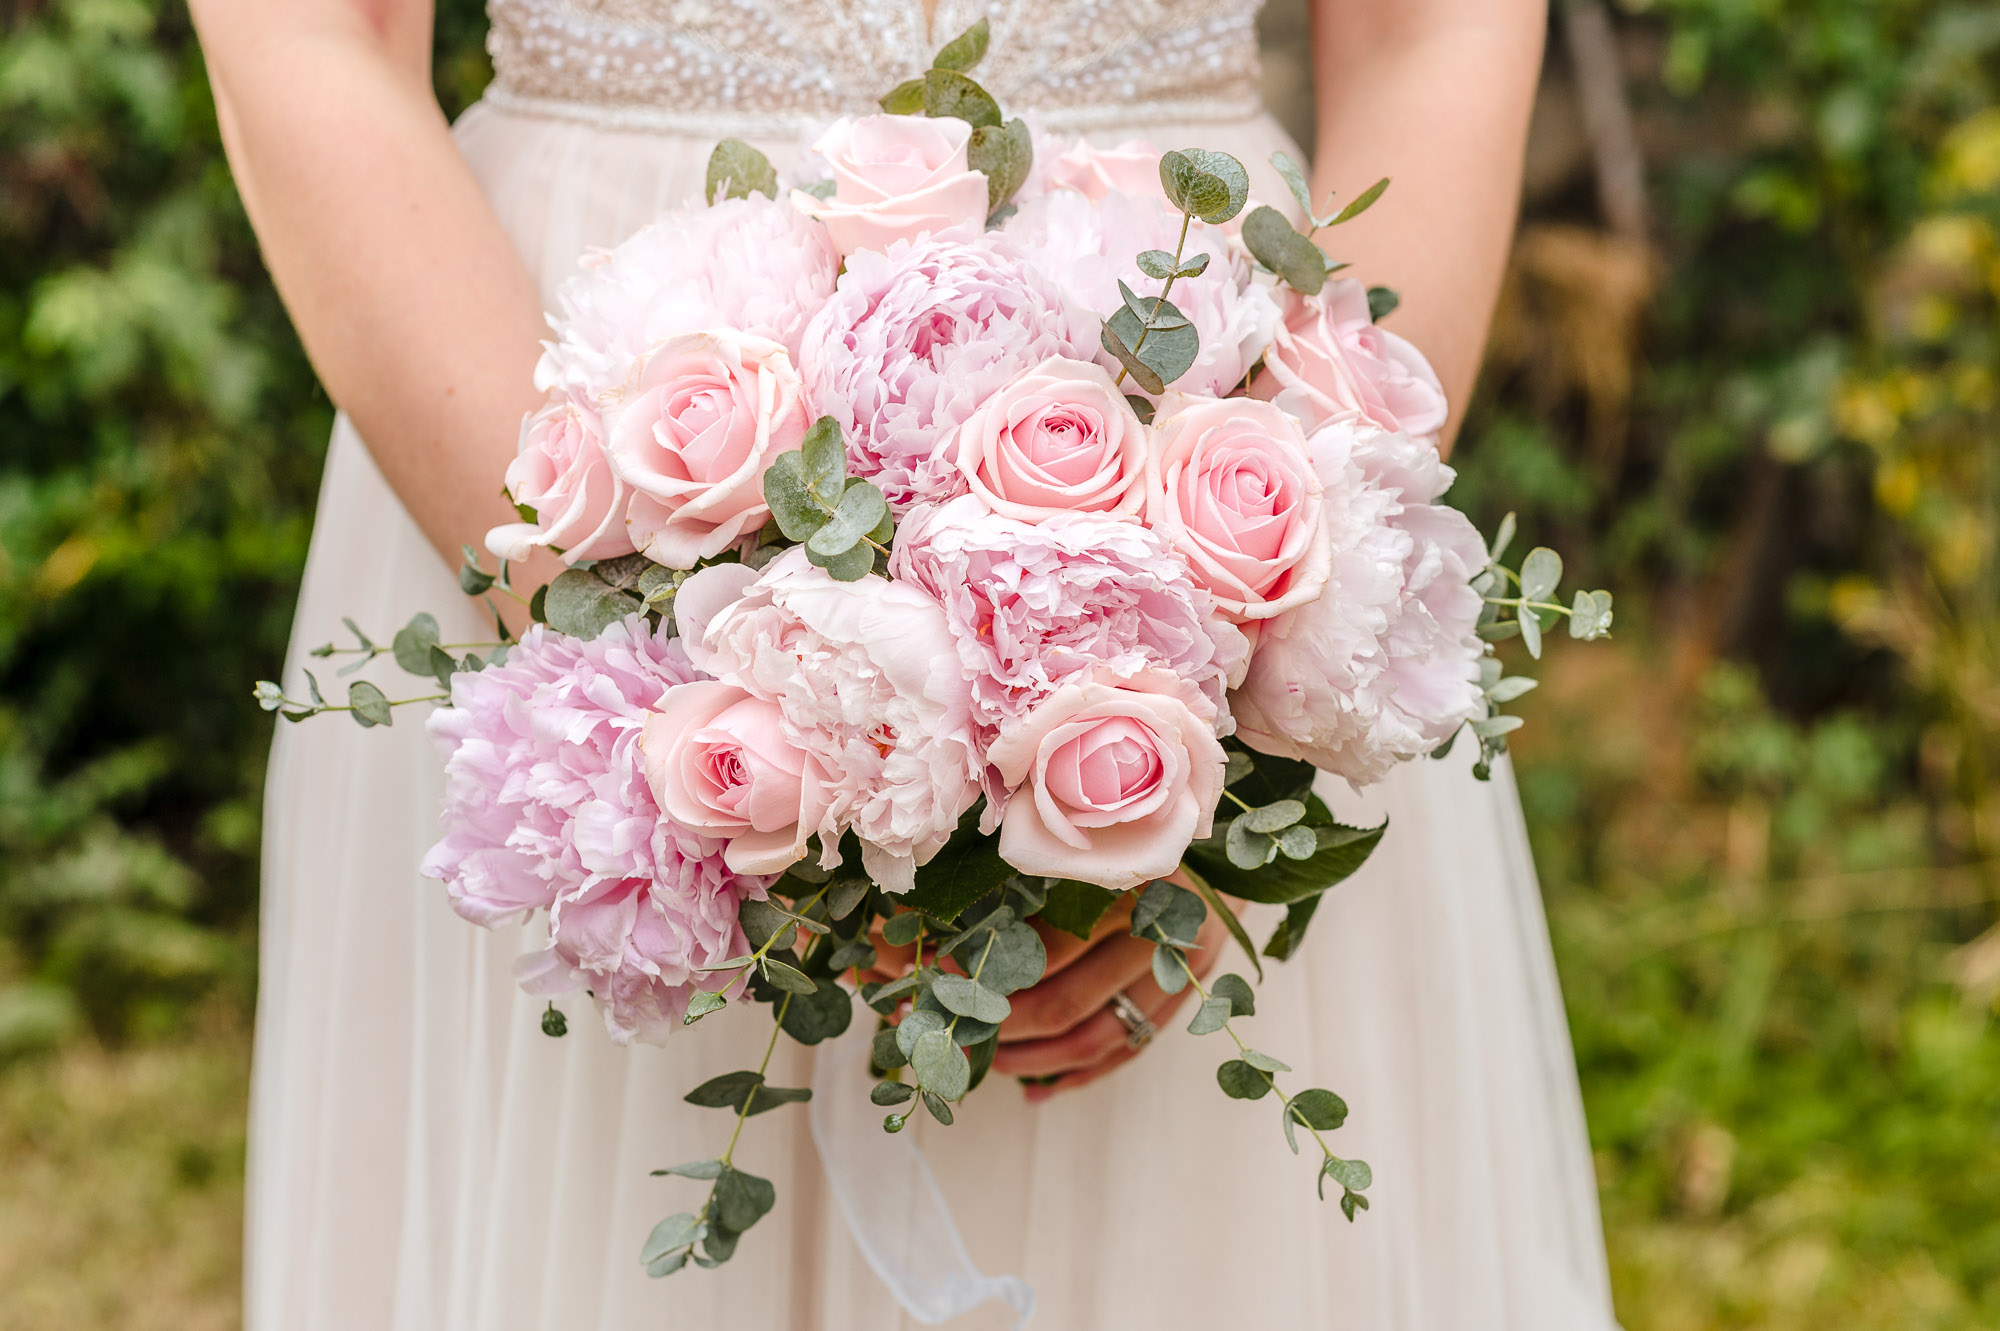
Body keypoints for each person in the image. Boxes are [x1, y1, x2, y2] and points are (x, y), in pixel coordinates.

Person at [192, 0, 1620, 1326]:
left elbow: (1432, 36)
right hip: (557, 384)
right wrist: (700, 714)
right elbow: (310, 39)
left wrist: (1218, 710)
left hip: (1205, 366)